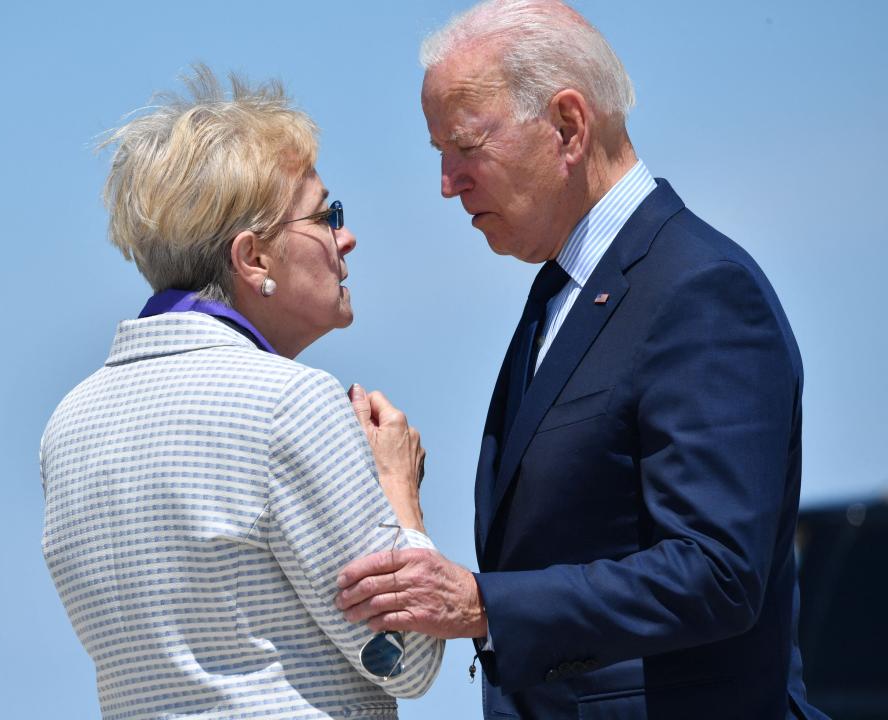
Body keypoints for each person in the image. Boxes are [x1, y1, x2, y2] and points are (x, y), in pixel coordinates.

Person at [335, 2, 827, 718]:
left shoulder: (699, 290)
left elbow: (717, 572)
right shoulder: (565, 291)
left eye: (465, 146)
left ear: (568, 126)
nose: (447, 182)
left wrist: (481, 603)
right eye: (439, 152)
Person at [40, 66, 443, 720]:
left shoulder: (69, 424)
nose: (347, 237)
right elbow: (407, 655)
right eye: (325, 215)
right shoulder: (291, 402)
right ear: (253, 259)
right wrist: (398, 489)